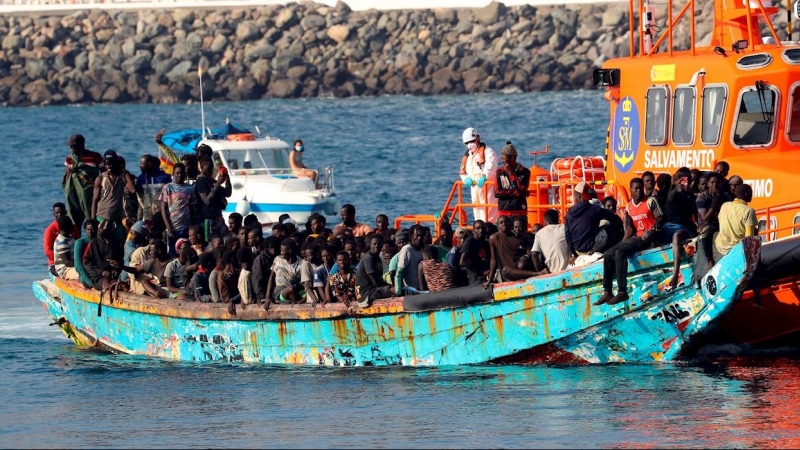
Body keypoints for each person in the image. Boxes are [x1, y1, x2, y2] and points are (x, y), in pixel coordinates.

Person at [596, 178, 663, 306]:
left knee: (621, 253)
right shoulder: (629, 206)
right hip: (636, 237)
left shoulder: (650, 201)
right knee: (609, 253)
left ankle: (622, 291)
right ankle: (607, 291)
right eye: (636, 188)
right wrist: (621, 242)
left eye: (640, 188)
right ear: (631, 189)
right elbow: (630, 228)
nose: (638, 191)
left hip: (648, 237)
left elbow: (660, 217)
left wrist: (657, 224)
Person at [564, 182, 621, 263]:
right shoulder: (594, 209)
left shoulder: (568, 214)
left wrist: (573, 254)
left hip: (578, 251)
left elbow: (568, 236)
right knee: (612, 226)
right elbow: (614, 218)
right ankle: (611, 252)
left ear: (577, 196)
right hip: (591, 247)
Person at [662, 167, 698, 290]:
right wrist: (675, 189)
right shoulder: (672, 192)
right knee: (652, 234)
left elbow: (696, 214)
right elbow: (670, 198)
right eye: (682, 178)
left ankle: (676, 273)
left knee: (676, 236)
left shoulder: (691, 196)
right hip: (668, 226)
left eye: (687, 178)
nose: (684, 181)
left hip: (684, 228)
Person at [91, 150, 134, 243]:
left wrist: (125, 172)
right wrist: (93, 220)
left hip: (118, 217)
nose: (109, 166)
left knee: (121, 241)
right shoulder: (101, 178)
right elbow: (94, 200)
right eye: (106, 164)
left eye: (111, 163)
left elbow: (132, 189)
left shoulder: (122, 176)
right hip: (102, 216)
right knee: (103, 242)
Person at [486, 216, 543, 285]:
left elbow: (530, 253)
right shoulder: (494, 238)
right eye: (501, 223)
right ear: (498, 225)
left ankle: (539, 273)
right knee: (505, 270)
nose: (504, 224)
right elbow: (493, 260)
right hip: (509, 273)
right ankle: (539, 274)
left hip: (522, 269)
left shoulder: (520, 237)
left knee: (521, 265)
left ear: (510, 224)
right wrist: (490, 279)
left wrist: (526, 257)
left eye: (506, 222)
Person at [63, 134, 104, 229]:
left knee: (91, 219)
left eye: (73, 146)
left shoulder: (95, 157)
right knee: (75, 221)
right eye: (70, 146)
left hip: (90, 194)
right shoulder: (70, 158)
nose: (71, 148)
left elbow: (103, 174)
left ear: (81, 145)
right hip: (75, 196)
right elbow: (68, 177)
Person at [695, 172, 732, 271]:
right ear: (708, 184)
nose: (715, 185)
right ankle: (709, 259)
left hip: (723, 222)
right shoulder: (702, 198)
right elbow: (705, 218)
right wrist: (715, 201)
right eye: (712, 182)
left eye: (717, 182)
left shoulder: (726, 197)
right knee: (706, 232)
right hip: (709, 224)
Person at [460, 127, 498, 222]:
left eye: (471, 141)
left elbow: (491, 165)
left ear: (477, 139)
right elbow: (462, 171)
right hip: (474, 188)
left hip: (487, 188)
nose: (469, 145)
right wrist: (466, 179)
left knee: (489, 213)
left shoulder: (488, 152)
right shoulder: (468, 156)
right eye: (467, 143)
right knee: (477, 212)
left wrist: (485, 176)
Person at [266, 239, 316, 308]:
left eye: (283, 251)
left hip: (297, 291)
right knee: (291, 288)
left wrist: (304, 298)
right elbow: (271, 277)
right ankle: (295, 308)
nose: (281, 253)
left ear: (290, 251)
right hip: (281, 291)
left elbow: (305, 283)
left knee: (306, 294)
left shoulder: (301, 263)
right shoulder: (278, 260)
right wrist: (267, 297)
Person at [159, 163, 197, 256]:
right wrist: (169, 228)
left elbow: (192, 208)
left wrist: (192, 226)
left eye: (182, 173)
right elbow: (163, 209)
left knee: (185, 253)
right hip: (173, 228)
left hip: (185, 227)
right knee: (172, 254)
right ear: (173, 174)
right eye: (177, 173)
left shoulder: (190, 189)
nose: (180, 175)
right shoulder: (168, 187)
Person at [715, 184, 757, 257]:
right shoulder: (749, 211)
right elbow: (748, 239)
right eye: (751, 193)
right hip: (736, 251)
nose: (752, 195)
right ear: (746, 194)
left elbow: (721, 222)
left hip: (720, 247)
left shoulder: (725, 205)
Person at [194, 158, 232, 241]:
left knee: (224, 241)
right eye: (208, 168)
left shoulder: (211, 180)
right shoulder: (200, 182)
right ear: (201, 167)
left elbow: (227, 193)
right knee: (211, 243)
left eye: (212, 168)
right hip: (208, 219)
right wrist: (218, 184)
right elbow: (207, 200)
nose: (210, 170)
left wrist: (227, 180)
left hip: (218, 218)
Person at [355, 235, 395, 307]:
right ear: (370, 245)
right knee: (395, 289)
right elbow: (375, 283)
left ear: (382, 245)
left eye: (379, 244)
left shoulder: (378, 259)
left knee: (395, 287)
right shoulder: (369, 258)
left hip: (373, 289)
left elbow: (379, 280)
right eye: (374, 244)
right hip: (366, 293)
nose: (376, 246)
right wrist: (389, 289)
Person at [494, 141, 531, 218]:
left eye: (504, 158)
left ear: (512, 158)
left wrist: (511, 174)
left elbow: (521, 191)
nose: (502, 161)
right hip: (503, 211)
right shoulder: (499, 172)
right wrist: (515, 192)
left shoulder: (525, 172)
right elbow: (497, 193)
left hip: (520, 211)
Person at [44, 202, 80, 274]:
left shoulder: (72, 227)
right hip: (56, 263)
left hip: (72, 260)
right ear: (54, 214)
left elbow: (77, 243)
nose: (59, 214)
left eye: (61, 212)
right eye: (57, 213)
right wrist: (62, 259)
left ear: (66, 212)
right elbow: (47, 250)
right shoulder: (50, 230)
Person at [135, 155, 172, 222]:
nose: (140, 166)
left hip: (164, 214)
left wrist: (163, 208)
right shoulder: (141, 178)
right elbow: (140, 196)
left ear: (149, 164)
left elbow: (171, 196)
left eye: (142, 164)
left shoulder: (165, 177)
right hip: (148, 215)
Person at [531, 209, 569, 273]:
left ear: (544, 220)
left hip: (552, 271)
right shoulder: (565, 228)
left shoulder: (539, 233)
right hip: (570, 268)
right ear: (558, 219)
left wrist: (540, 272)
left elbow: (534, 254)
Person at [460, 220, 490, 286]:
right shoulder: (470, 241)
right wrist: (480, 272)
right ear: (474, 230)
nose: (481, 230)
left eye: (483, 228)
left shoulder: (486, 243)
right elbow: (462, 261)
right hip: (476, 280)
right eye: (478, 228)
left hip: (487, 277)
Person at [396, 224, 425, 292]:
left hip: (422, 289)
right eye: (417, 235)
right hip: (411, 290)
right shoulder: (407, 250)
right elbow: (399, 273)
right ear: (412, 236)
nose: (419, 238)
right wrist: (398, 291)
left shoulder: (423, 250)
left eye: (421, 236)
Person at [53, 216, 80, 280]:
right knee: (82, 274)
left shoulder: (70, 237)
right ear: (68, 226)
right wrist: (81, 265)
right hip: (64, 270)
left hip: (71, 266)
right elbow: (67, 262)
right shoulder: (61, 242)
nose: (73, 226)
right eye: (71, 224)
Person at [74, 219, 98, 288]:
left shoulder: (99, 242)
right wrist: (90, 283)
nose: (90, 232)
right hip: (85, 272)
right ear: (85, 230)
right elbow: (78, 265)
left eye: (92, 229)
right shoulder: (80, 243)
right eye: (88, 229)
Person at [216, 250, 241, 314]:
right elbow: (226, 298)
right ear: (232, 259)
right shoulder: (222, 275)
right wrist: (233, 300)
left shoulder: (238, 272)